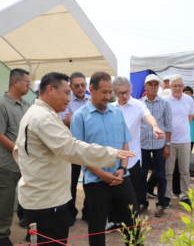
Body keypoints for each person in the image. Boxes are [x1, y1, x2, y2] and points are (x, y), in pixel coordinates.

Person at [14, 72, 135, 245]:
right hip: (48, 200)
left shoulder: (37, 113)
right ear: (50, 90)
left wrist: (121, 166)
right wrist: (111, 154)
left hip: (44, 195)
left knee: (132, 222)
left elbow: (19, 152)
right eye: (66, 92)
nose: (69, 99)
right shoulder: (44, 118)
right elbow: (73, 148)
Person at [70, 72, 141, 246]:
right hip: (96, 181)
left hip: (121, 178)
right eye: (104, 92)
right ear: (91, 90)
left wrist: (123, 169)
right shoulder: (80, 117)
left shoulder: (117, 113)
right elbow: (79, 153)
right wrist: (101, 174)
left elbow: (125, 143)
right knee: (97, 227)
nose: (108, 96)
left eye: (110, 92)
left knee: (133, 222)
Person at [106, 76, 164, 228]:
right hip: (113, 156)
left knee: (132, 192)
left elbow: (148, 116)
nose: (124, 96)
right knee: (112, 188)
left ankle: (133, 221)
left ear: (131, 91)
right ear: (114, 93)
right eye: (120, 93)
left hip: (132, 158)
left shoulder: (138, 105)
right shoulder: (110, 107)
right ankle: (114, 220)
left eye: (126, 92)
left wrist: (155, 126)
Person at [0, 69, 30, 246]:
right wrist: (20, 152)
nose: (29, 86)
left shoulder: (27, 105)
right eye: (27, 83)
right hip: (8, 164)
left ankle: (31, 229)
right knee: (6, 200)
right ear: (15, 83)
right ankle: (2, 235)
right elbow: (0, 134)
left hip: (27, 164)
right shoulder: (2, 104)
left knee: (30, 197)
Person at [59, 72, 91, 226]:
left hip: (89, 148)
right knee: (70, 183)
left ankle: (88, 212)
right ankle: (70, 213)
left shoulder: (92, 100)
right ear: (71, 87)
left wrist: (75, 119)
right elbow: (63, 122)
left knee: (90, 181)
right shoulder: (66, 101)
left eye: (83, 85)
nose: (80, 88)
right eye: (76, 85)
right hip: (71, 149)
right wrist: (82, 120)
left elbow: (93, 122)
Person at [140, 74, 172, 217]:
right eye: (150, 84)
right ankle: (142, 203)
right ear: (145, 86)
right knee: (141, 175)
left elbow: (169, 126)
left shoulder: (165, 103)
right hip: (142, 144)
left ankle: (160, 204)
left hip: (159, 144)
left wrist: (167, 145)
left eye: (155, 84)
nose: (153, 86)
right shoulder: (139, 103)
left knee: (160, 175)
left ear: (158, 87)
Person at [164, 74, 194, 208]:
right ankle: (166, 196)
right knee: (168, 171)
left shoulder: (188, 100)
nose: (177, 88)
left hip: (185, 141)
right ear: (170, 86)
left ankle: (185, 196)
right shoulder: (165, 100)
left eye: (180, 86)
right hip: (169, 141)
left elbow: (190, 117)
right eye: (175, 85)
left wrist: (181, 129)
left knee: (185, 170)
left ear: (183, 86)